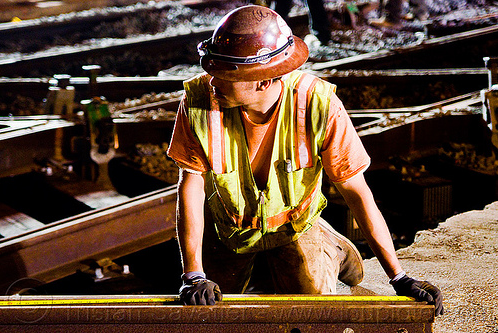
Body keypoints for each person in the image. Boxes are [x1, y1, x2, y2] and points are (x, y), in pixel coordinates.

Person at [167, 5, 443, 315]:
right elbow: (190, 186)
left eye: (223, 74)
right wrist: (193, 274)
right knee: (208, 314)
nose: (212, 81)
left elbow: (356, 191)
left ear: (262, 80)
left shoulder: (317, 105)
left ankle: (330, 247)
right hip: (228, 228)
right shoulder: (199, 102)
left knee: (310, 312)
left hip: (294, 227)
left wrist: (399, 277)